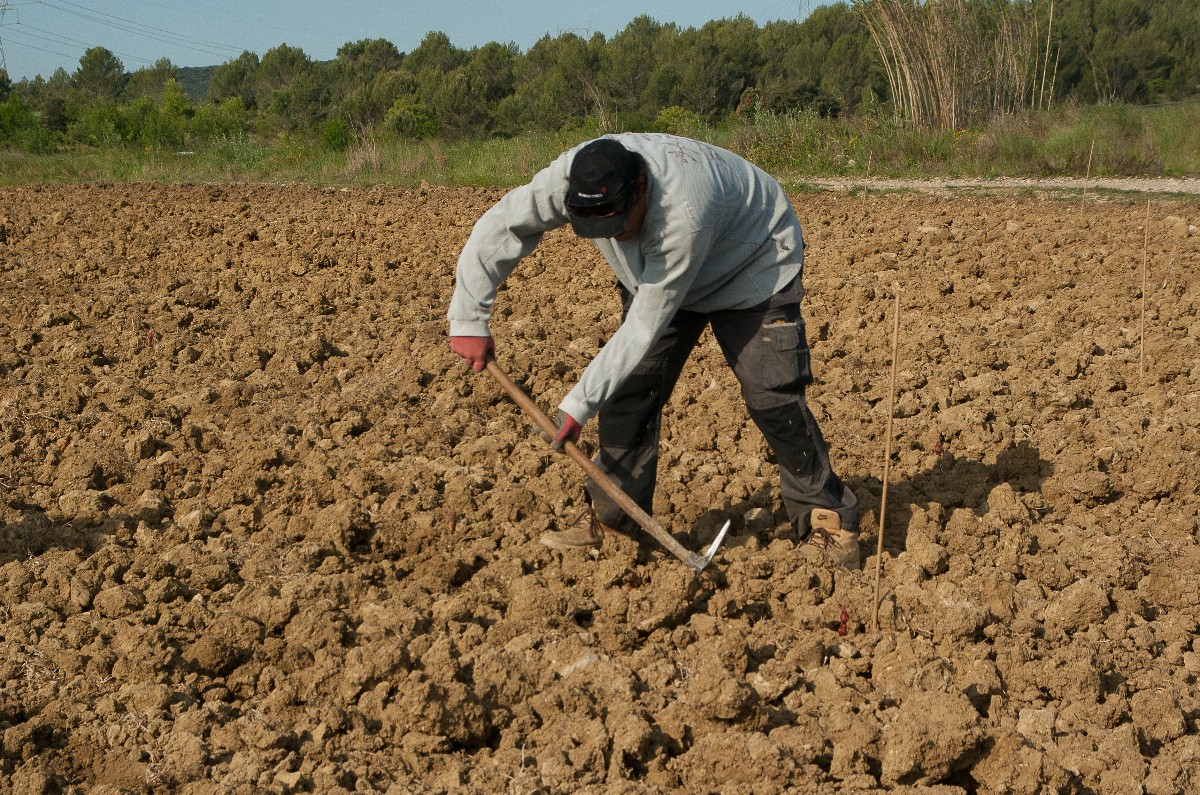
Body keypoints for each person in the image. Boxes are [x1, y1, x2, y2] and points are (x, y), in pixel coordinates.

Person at [448, 133, 860, 569]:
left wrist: (576, 406)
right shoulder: (569, 180)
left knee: (772, 395)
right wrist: (468, 317)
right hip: (657, 275)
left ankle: (830, 520)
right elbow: (502, 225)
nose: (614, 239)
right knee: (630, 391)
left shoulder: (683, 213)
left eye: (619, 225)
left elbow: (645, 323)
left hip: (753, 263)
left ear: (640, 189)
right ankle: (615, 522)